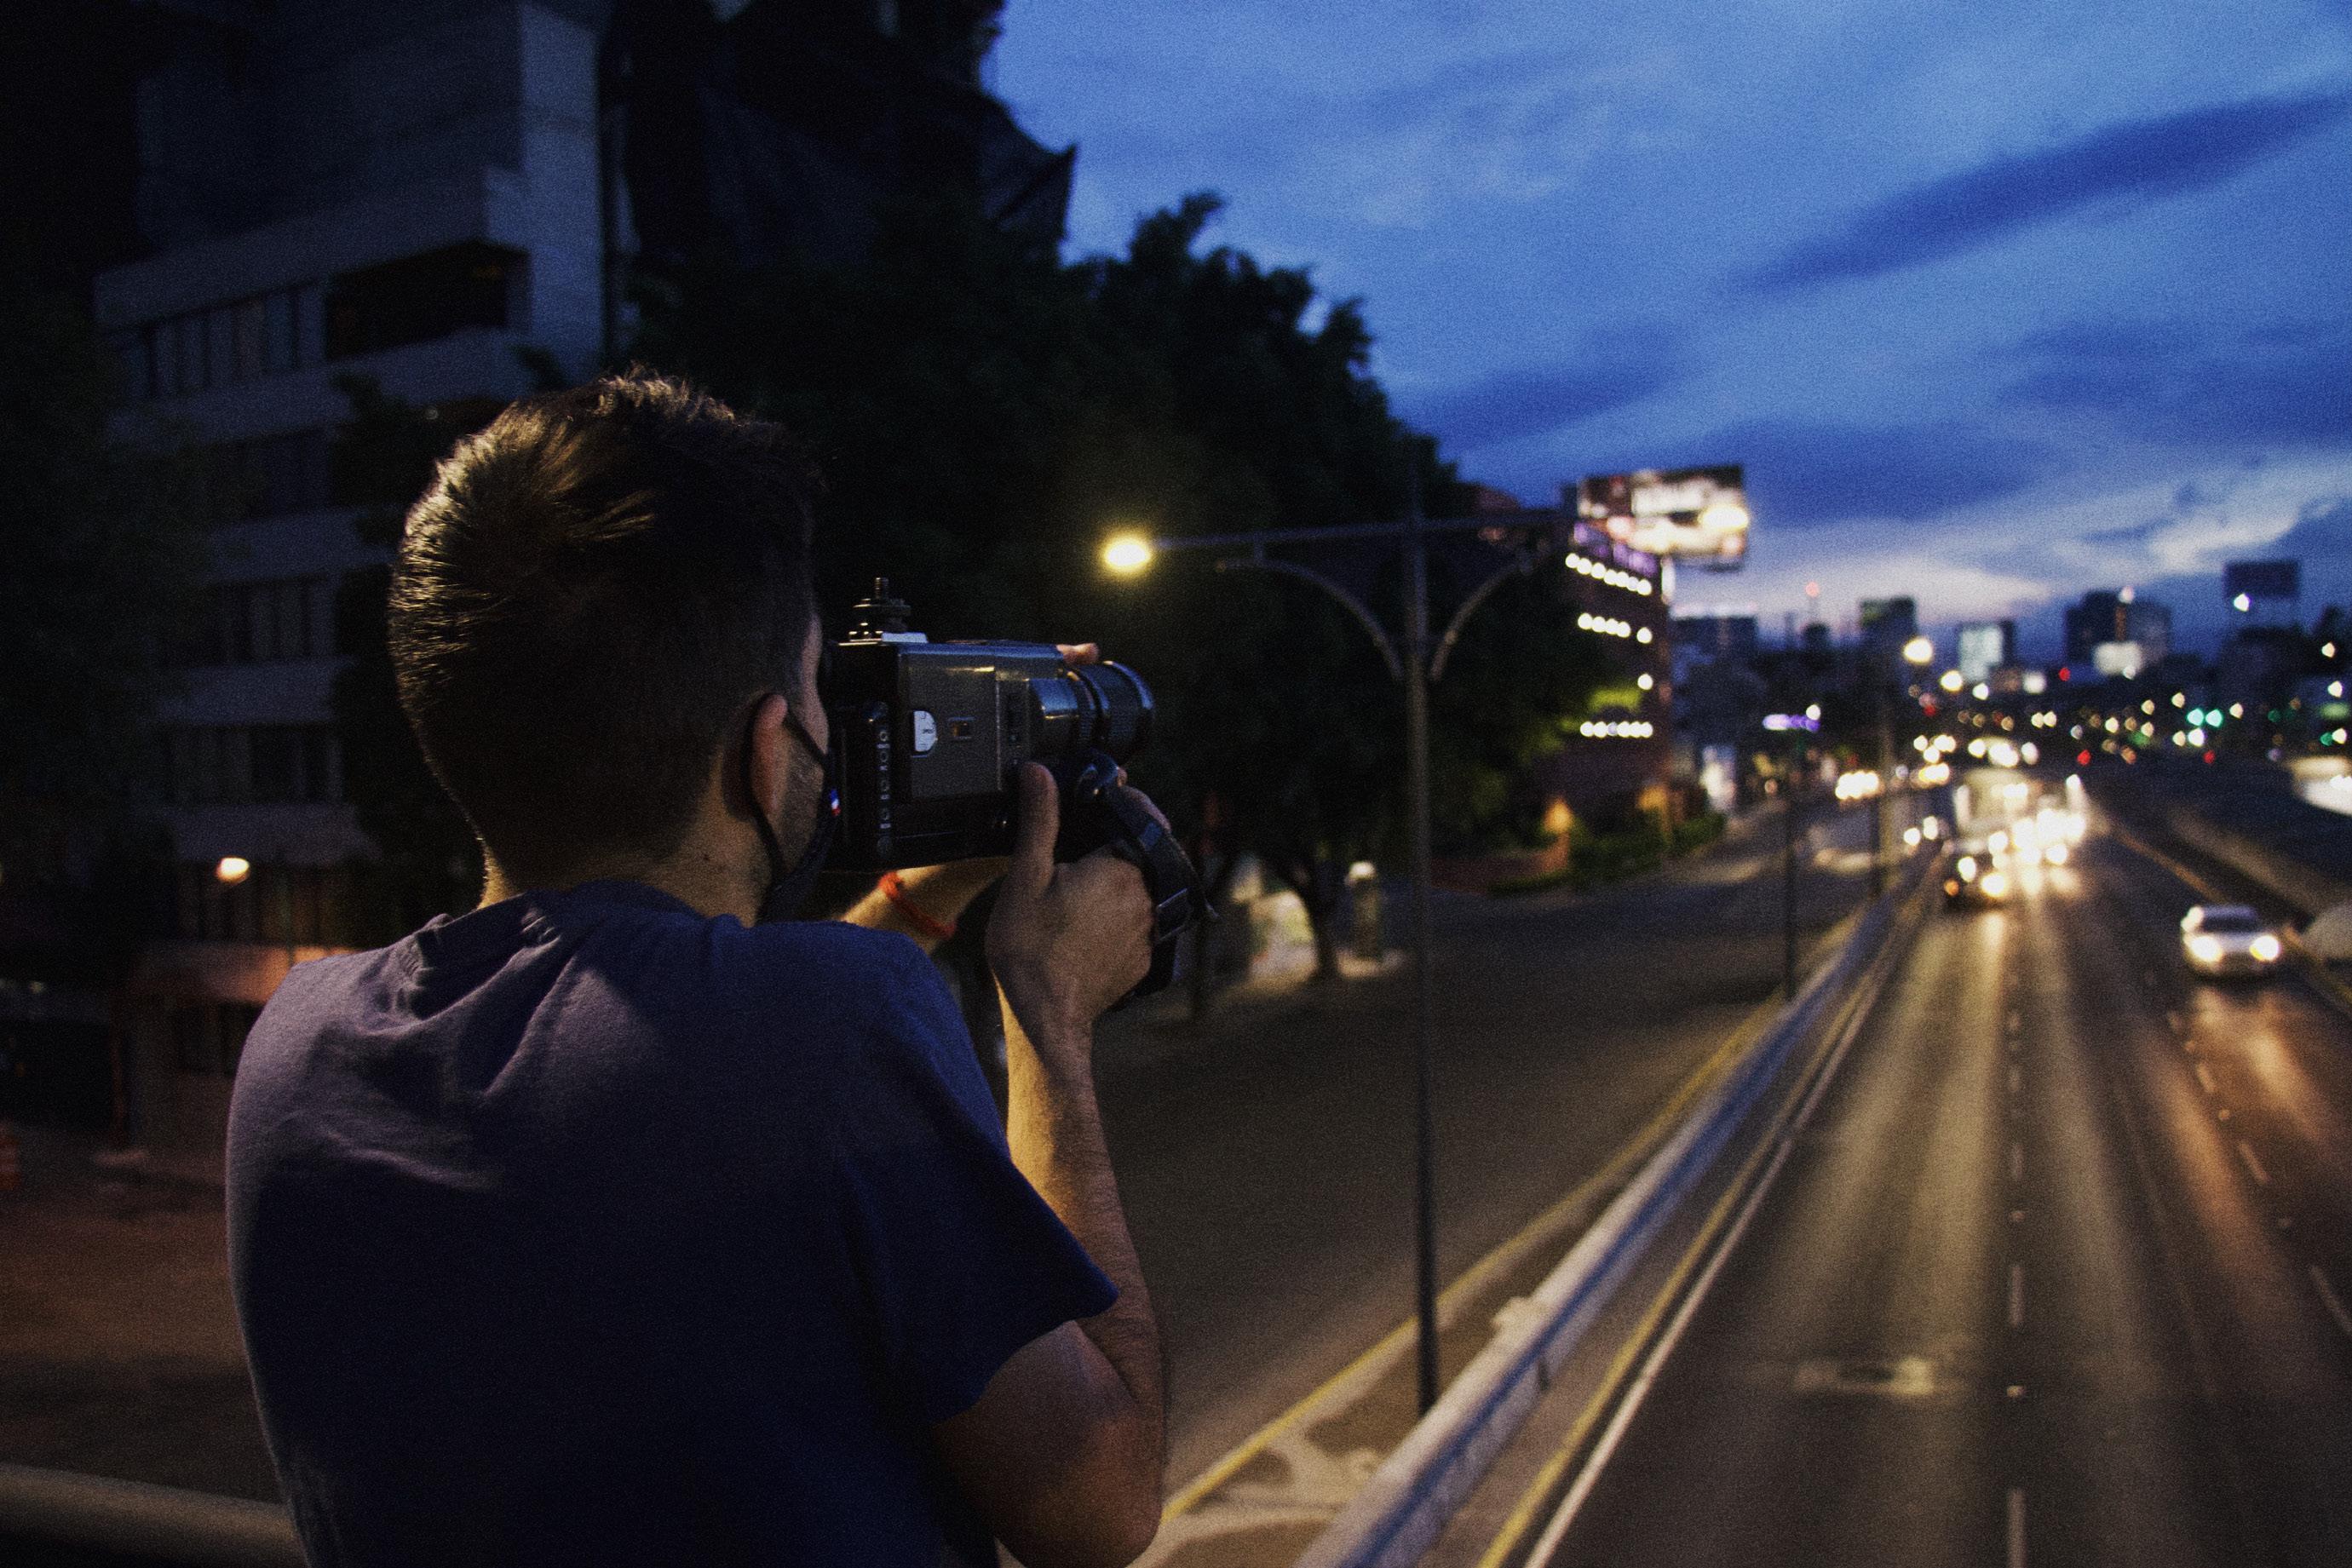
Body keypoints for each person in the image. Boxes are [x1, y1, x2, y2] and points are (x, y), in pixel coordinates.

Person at [226, 373, 1165, 1567]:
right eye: (818, 685)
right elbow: (1100, 1507)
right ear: (765, 746)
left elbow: (662, 1047)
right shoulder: (834, 1027)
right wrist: (1049, 1014)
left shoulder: (294, 1053)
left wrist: (918, 897)